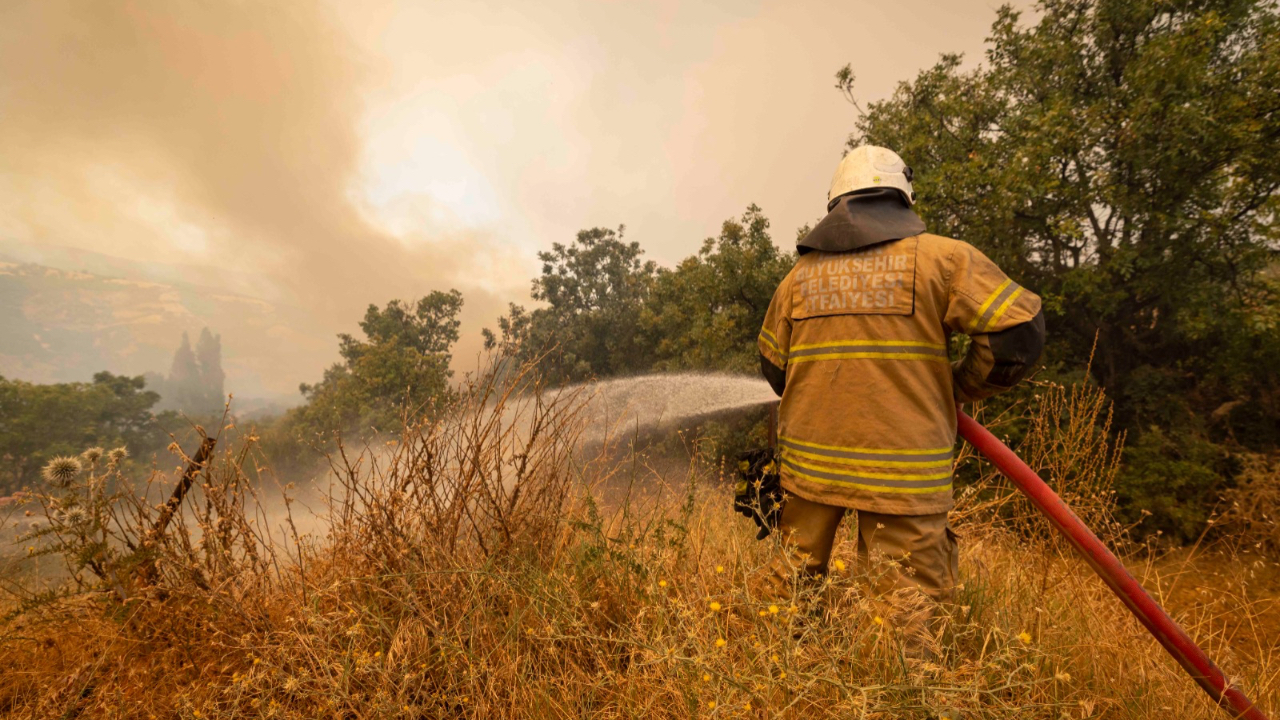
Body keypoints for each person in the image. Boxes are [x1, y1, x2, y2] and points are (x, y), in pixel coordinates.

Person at [756, 144, 1045, 653]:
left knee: (789, 591)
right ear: (901, 199)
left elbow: (775, 370)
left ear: (836, 205)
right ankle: (902, 689)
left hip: (809, 469)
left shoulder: (798, 277)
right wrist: (960, 387)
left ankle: (787, 673)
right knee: (906, 615)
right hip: (903, 474)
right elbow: (1017, 336)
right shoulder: (945, 260)